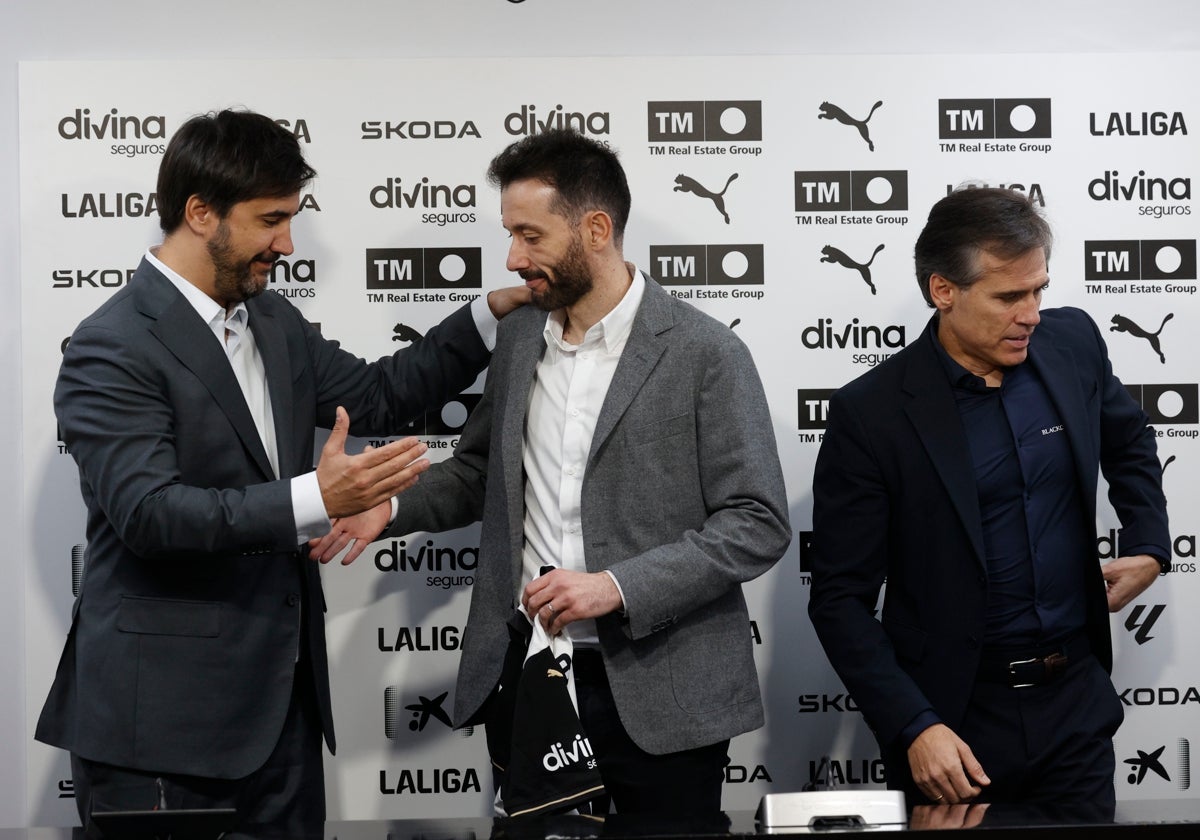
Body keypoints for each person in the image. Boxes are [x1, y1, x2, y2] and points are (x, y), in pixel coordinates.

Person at [36, 109, 528, 836]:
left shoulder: (271, 321)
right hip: (162, 736)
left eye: (291, 219)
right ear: (201, 213)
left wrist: (491, 315)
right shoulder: (111, 346)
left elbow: (380, 395)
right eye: (271, 220)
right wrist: (315, 497)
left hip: (283, 722)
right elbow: (150, 515)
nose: (287, 245)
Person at [309, 129, 791, 816]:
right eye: (511, 234)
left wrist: (616, 587)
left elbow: (758, 521)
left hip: (664, 695)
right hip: (528, 680)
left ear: (596, 229)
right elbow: (478, 471)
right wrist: (387, 508)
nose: (513, 257)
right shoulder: (516, 339)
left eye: (530, 236)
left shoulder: (706, 353)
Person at [808, 186, 1170, 808]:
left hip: (1075, 707)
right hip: (953, 726)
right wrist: (915, 726)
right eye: (1009, 297)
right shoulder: (871, 414)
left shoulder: (1072, 343)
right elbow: (839, 599)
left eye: (1038, 291)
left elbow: (1131, 436)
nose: (1030, 313)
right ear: (943, 291)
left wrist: (1150, 543)